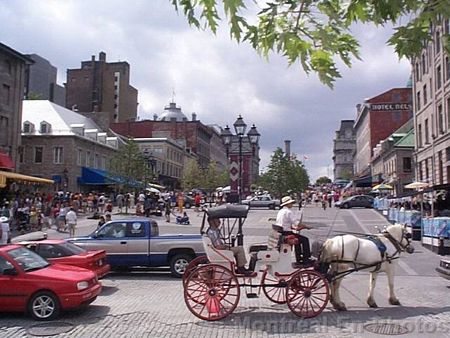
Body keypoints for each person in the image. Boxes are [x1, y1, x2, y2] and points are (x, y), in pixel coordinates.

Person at [275, 196, 313, 266]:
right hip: (287, 233)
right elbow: (297, 223)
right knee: (305, 240)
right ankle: (306, 259)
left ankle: (299, 259)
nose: (292, 204)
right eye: (291, 203)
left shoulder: (281, 211)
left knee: (298, 240)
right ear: (287, 204)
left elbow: (284, 224)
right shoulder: (288, 212)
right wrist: (306, 226)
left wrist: (295, 228)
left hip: (282, 233)